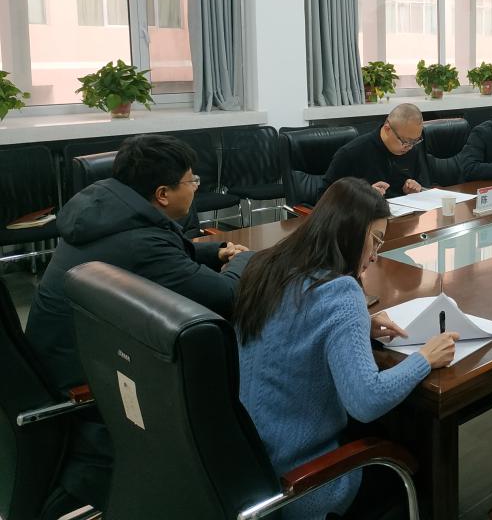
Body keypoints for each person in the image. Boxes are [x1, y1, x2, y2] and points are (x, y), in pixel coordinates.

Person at [25, 134, 251, 518]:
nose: (196, 188)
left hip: (64, 362)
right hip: (88, 390)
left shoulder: (104, 210)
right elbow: (225, 296)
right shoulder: (140, 242)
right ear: (163, 194)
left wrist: (216, 251)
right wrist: (246, 261)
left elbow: (160, 254)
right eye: (192, 181)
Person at [234, 177, 458, 520]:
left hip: (254, 470)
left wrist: (361, 326)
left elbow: (294, 329)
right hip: (307, 483)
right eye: (376, 240)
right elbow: (366, 401)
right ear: (352, 232)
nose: (375, 254)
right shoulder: (341, 291)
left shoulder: (265, 267)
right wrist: (425, 358)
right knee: (418, 456)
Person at [321, 103, 433, 200]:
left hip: (402, 214)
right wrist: (364, 196)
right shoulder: (352, 153)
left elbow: (423, 185)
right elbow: (324, 199)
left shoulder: (412, 150)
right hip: (366, 216)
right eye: (405, 141)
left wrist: (414, 189)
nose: (409, 147)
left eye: (415, 141)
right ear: (387, 129)